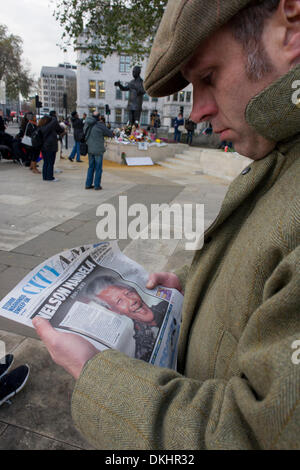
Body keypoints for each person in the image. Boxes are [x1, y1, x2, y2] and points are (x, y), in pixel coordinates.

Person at [33, 0, 300, 450]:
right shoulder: (278, 144)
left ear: (290, 27)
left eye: (209, 76)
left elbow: (256, 433)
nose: (196, 111)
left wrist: (95, 375)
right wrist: (194, 286)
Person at [85, 276, 167, 361]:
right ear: (114, 310)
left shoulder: (166, 305)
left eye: (128, 293)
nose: (132, 301)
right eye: (119, 301)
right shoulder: (144, 350)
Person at [83, 112, 114, 190]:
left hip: (90, 148)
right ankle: (97, 185)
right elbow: (110, 134)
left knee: (90, 167)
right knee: (98, 168)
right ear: (99, 117)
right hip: (98, 149)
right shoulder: (100, 125)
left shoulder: (87, 123)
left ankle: (88, 184)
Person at [39, 111, 64, 182]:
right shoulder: (48, 127)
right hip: (50, 147)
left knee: (46, 162)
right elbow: (55, 124)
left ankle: (45, 176)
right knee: (50, 162)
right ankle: (50, 177)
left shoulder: (41, 126)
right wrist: (53, 118)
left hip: (44, 147)